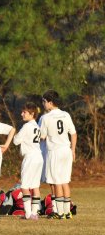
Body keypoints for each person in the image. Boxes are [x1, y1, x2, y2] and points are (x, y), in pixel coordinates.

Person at [40, 90, 77, 219]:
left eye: (44, 101)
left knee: (56, 182)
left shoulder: (45, 118)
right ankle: (67, 212)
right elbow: (73, 133)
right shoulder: (66, 114)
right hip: (66, 151)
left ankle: (60, 212)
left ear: (50, 102)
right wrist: (73, 150)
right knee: (65, 181)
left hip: (54, 152)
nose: (43, 104)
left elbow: (42, 136)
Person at [13, 102, 43, 220]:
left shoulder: (27, 126)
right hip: (38, 157)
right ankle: (34, 213)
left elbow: (16, 141)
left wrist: (14, 134)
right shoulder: (36, 126)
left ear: (32, 114)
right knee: (35, 186)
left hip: (30, 157)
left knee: (24, 186)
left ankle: (27, 213)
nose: (22, 114)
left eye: (24, 112)